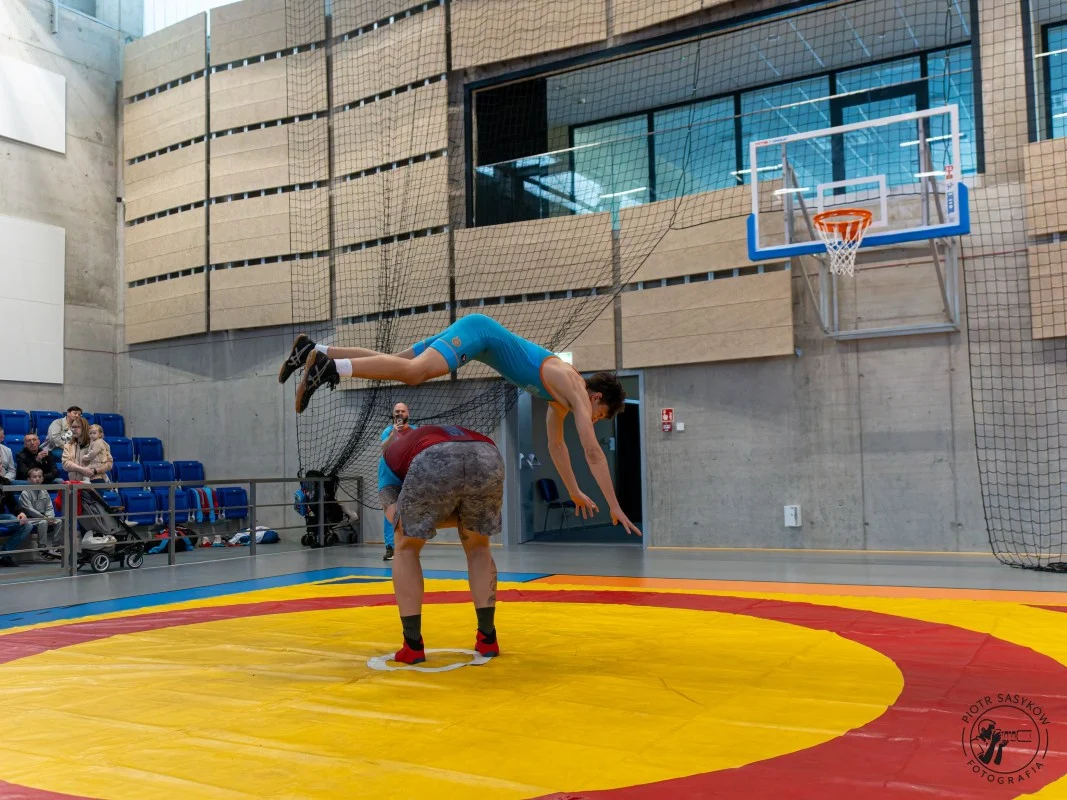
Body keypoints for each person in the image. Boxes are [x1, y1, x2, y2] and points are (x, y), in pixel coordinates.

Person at [279, 318, 641, 536]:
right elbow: (592, 451)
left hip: (477, 333)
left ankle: (313, 349)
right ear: (596, 397)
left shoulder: (561, 400)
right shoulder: (574, 387)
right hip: (479, 333)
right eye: (601, 415)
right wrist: (615, 505)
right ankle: (330, 368)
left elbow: (557, 447)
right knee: (415, 373)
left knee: (399, 361)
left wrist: (574, 491)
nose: (594, 420)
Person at [379, 423, 503, 665]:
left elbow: (397, 519)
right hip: (488, 454)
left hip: (434, 457)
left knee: (406, 546)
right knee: (479, 546)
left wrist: (428, 520)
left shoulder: (387, 459)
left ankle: (412, 646)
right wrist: (461, 520)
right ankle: (488, 639)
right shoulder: (418, 440)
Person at [380, 402, 416, 562]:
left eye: (402, 411)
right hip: (389, 477)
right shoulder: (388, 431)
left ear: (408, 413)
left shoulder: (415, 431)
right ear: (393, 414)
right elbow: (383, 448)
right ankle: (390, 546)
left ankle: (409, 545)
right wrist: (393, 434)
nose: (400, 413)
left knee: (410, 511)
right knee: (391, 511)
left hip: (407, 476)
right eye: (397, 411)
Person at [19, 467, 61, 560]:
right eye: (34, 477)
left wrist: (50, 517)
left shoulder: (44, 491)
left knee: (59, 521)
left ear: (42, 479)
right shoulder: (25, 493)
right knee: (43, 522)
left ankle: (56, 547)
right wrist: (44, 518)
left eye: (39, 476)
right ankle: (42, 548)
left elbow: (49, 507)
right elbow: (29, 509)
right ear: (28, 479)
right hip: (30, 518)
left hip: (44, 517)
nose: (37, 479)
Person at [0, 475, 33, 568]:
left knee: (27, 525)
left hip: (1, 516)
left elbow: (12, 503)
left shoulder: (5, 482)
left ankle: (4, 555)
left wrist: (20, 512)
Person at [61, 418, 96, 483]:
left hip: (92, 481)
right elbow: (65, 464)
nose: (74, 429)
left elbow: (106, 463)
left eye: (77, 427)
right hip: (75, 484)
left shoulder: (95, 444)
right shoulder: (68, 445)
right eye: (73, 427)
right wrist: (82, 469)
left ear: (84, 428)